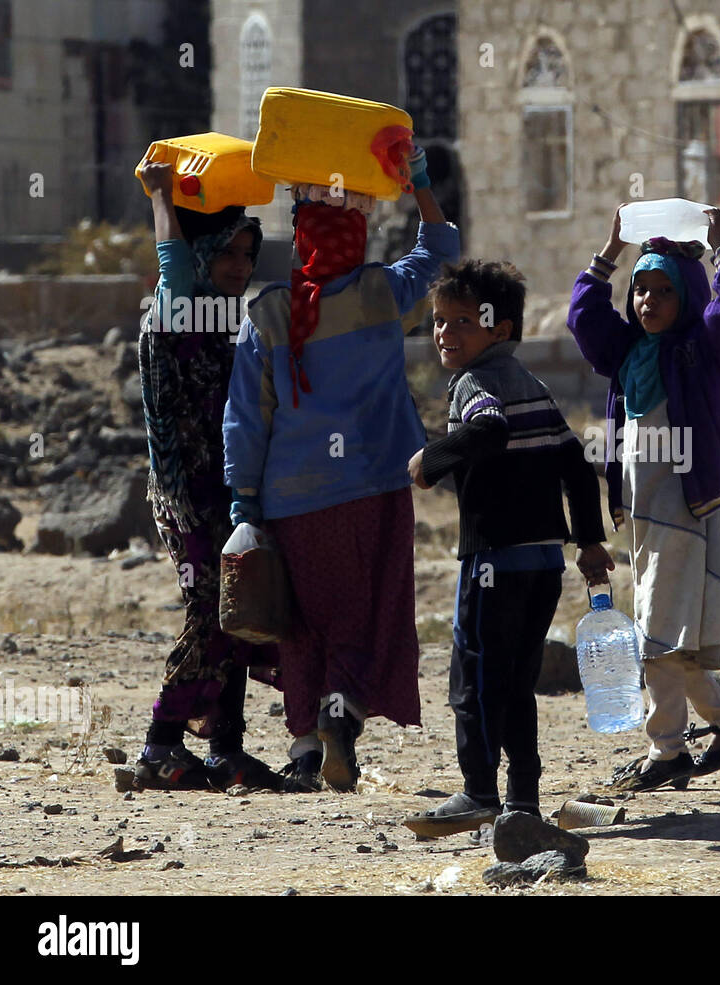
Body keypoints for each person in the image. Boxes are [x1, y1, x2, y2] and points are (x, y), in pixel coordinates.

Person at [223, 149, 458, 792]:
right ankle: (340, 717)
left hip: (289, 500)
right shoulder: (381, 293)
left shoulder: (266, 314)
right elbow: (442, 247)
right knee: (363, 612)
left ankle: (303, 752)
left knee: (300, 624)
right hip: (373, 489)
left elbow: (245, 418)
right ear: (356, 237)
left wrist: (244, 504)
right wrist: (421, 187)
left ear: (300, 240)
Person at [404, 259, 613, 835]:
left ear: (501, 330)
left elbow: (489, 429)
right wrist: (589, 542)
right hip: (544, 563)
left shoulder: (477, 383)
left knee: (473, 679)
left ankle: (477, 793)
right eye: (440, 321)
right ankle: (522, 799)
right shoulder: (535, 385)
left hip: (492, 562)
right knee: (518, 683)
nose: (446, 333)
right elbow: (574, 460)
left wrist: (432, 459)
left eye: (463, 322)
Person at [566, 205, 720, 792]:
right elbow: (584, 317)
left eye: (662, 291)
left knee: (655, 635)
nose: (647, 301)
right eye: (640, 290)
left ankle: (666, 750)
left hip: (684, 512)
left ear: (687, 298)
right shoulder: (627, 356)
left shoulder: (698, 356)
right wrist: (611, 249)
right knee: (674, 639)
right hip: (643, 519)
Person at [132, 161, 282, 792]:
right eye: (231, 256)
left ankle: (226, 747)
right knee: (207, 609)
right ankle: (160, 745)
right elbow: (173, 259)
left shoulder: (222, 321)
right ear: (206, 254)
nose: (242, 268)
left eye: (250, 256)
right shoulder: (176, 312)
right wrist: (163, 197)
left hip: (223, 490)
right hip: (186, 497)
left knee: (238, 608)